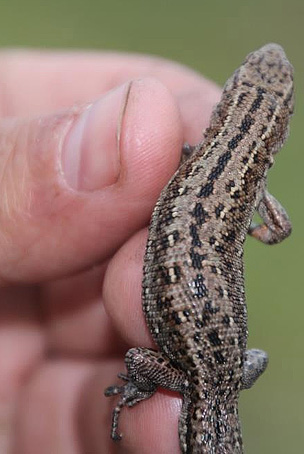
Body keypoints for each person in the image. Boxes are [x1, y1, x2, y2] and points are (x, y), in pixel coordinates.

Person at [0, 49, 221, 453]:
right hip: (213, 373)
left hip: (191, 374)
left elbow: (138, 359)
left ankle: (143, 390)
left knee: (137, 359)